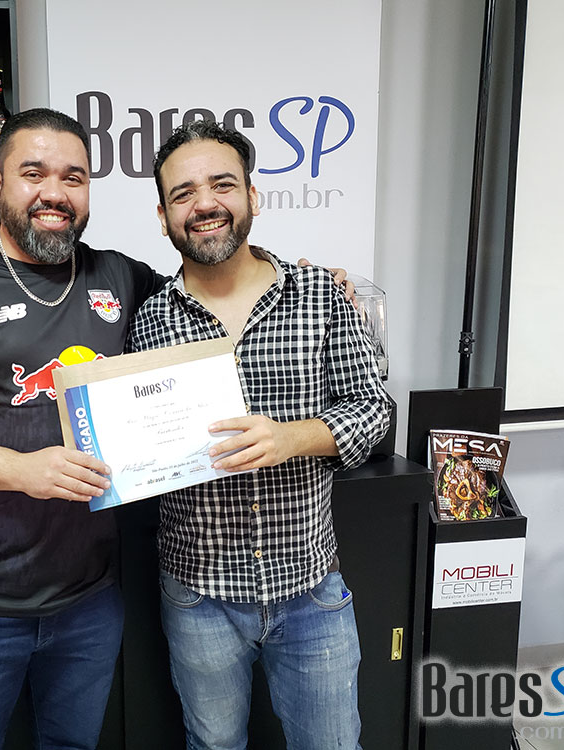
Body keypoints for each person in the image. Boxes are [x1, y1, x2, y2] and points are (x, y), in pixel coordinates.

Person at [0, 108, 354, 750]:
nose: (54, 193)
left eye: (73, 177)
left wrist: (312, 283)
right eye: (33, 173)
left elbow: (210, 284)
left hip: (88, 598)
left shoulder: (122, 279)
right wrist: (21, 470)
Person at [126, 120, 390, 750]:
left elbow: (374, 410)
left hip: (310, 588)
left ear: (252, 196)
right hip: (198, 595)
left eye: (222, 185)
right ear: (163, 217)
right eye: (183, 193)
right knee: (212, 745)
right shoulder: (148, 321)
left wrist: (291, 438)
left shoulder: (321, 295)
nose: (205, 204)